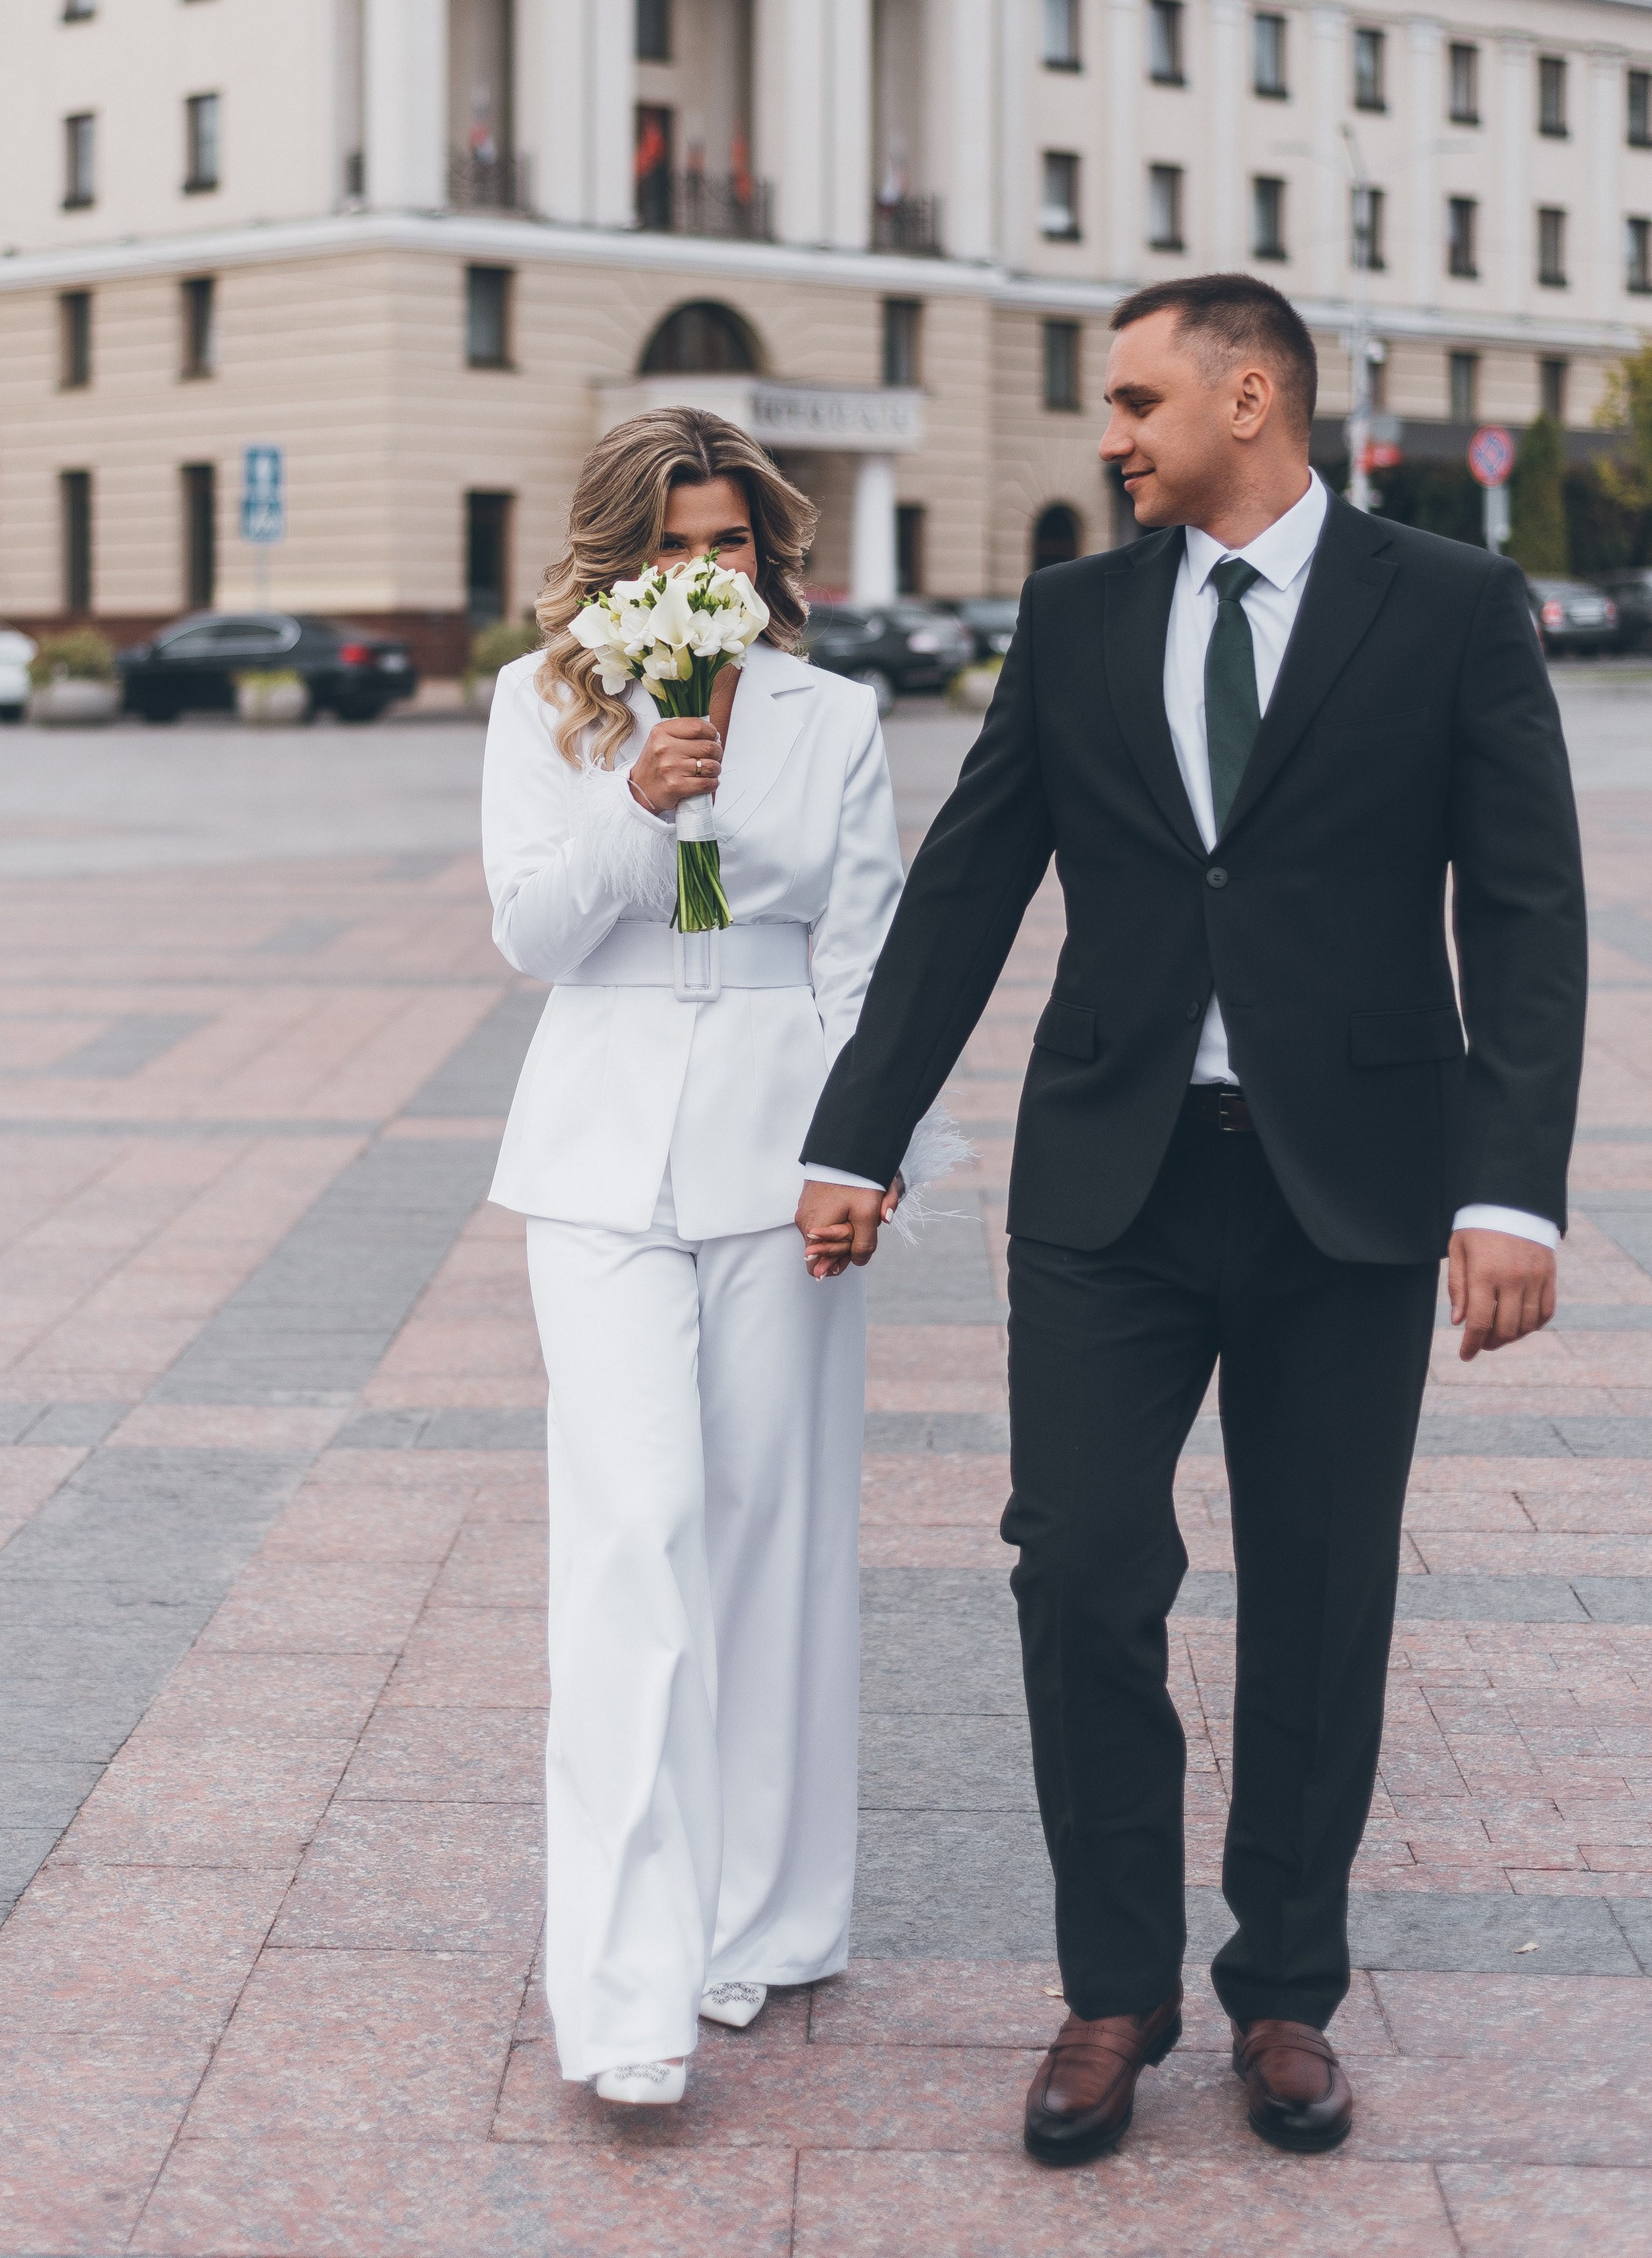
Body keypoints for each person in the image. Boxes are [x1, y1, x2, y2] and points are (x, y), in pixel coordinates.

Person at [797, 275, 1585, 2165]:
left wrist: (1509, 1187)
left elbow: (1527, 909)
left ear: (1252, 395)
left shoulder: (1450, 606)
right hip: (1108, 1180)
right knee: (1075, 1567)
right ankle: (1111, 1985)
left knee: (1318, 1588)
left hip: (1355, 1190)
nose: (1112, 431)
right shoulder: (1071, 619)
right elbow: (972, 882)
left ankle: (1285, 1990)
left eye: (1140, 398)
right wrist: (855, 1134)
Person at [483, 405, 947, 2107]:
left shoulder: (834, 713)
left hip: (782, 1154)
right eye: (674, 546)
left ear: (767, 555)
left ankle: (759, 1918)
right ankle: (622, 1991)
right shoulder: (539, 707)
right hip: (597, 1154)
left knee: (769, 1535)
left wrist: (858, 1152)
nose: (705, 573)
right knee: (632, 1534)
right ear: (621, 558)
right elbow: (529, 928)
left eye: (729, 543)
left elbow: (862, 947)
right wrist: (632, 795)